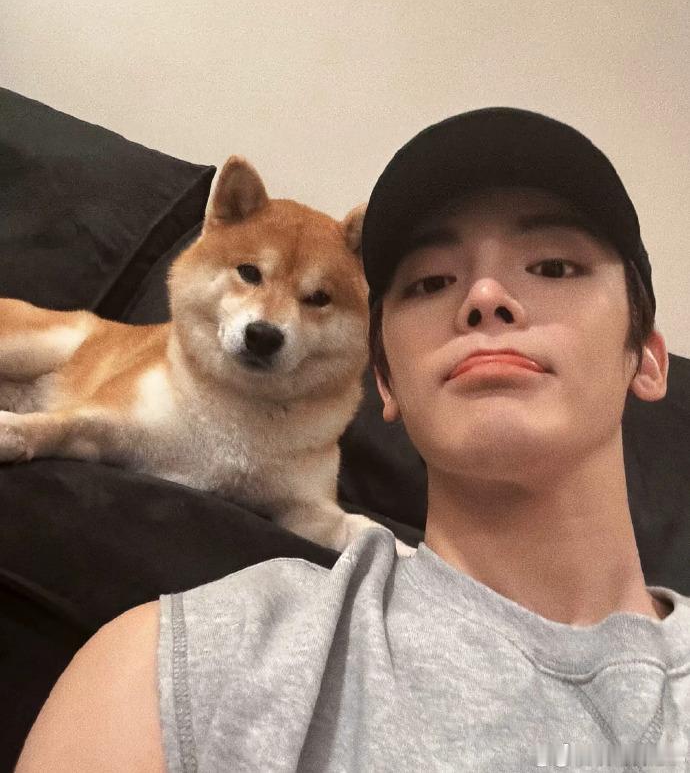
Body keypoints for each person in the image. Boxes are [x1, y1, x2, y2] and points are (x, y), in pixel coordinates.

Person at [16, 108, 690, 772]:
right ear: (387, 380)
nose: (485, 295)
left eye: (553, 266)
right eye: (431, 282)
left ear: (649, 359)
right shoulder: (172, 669)